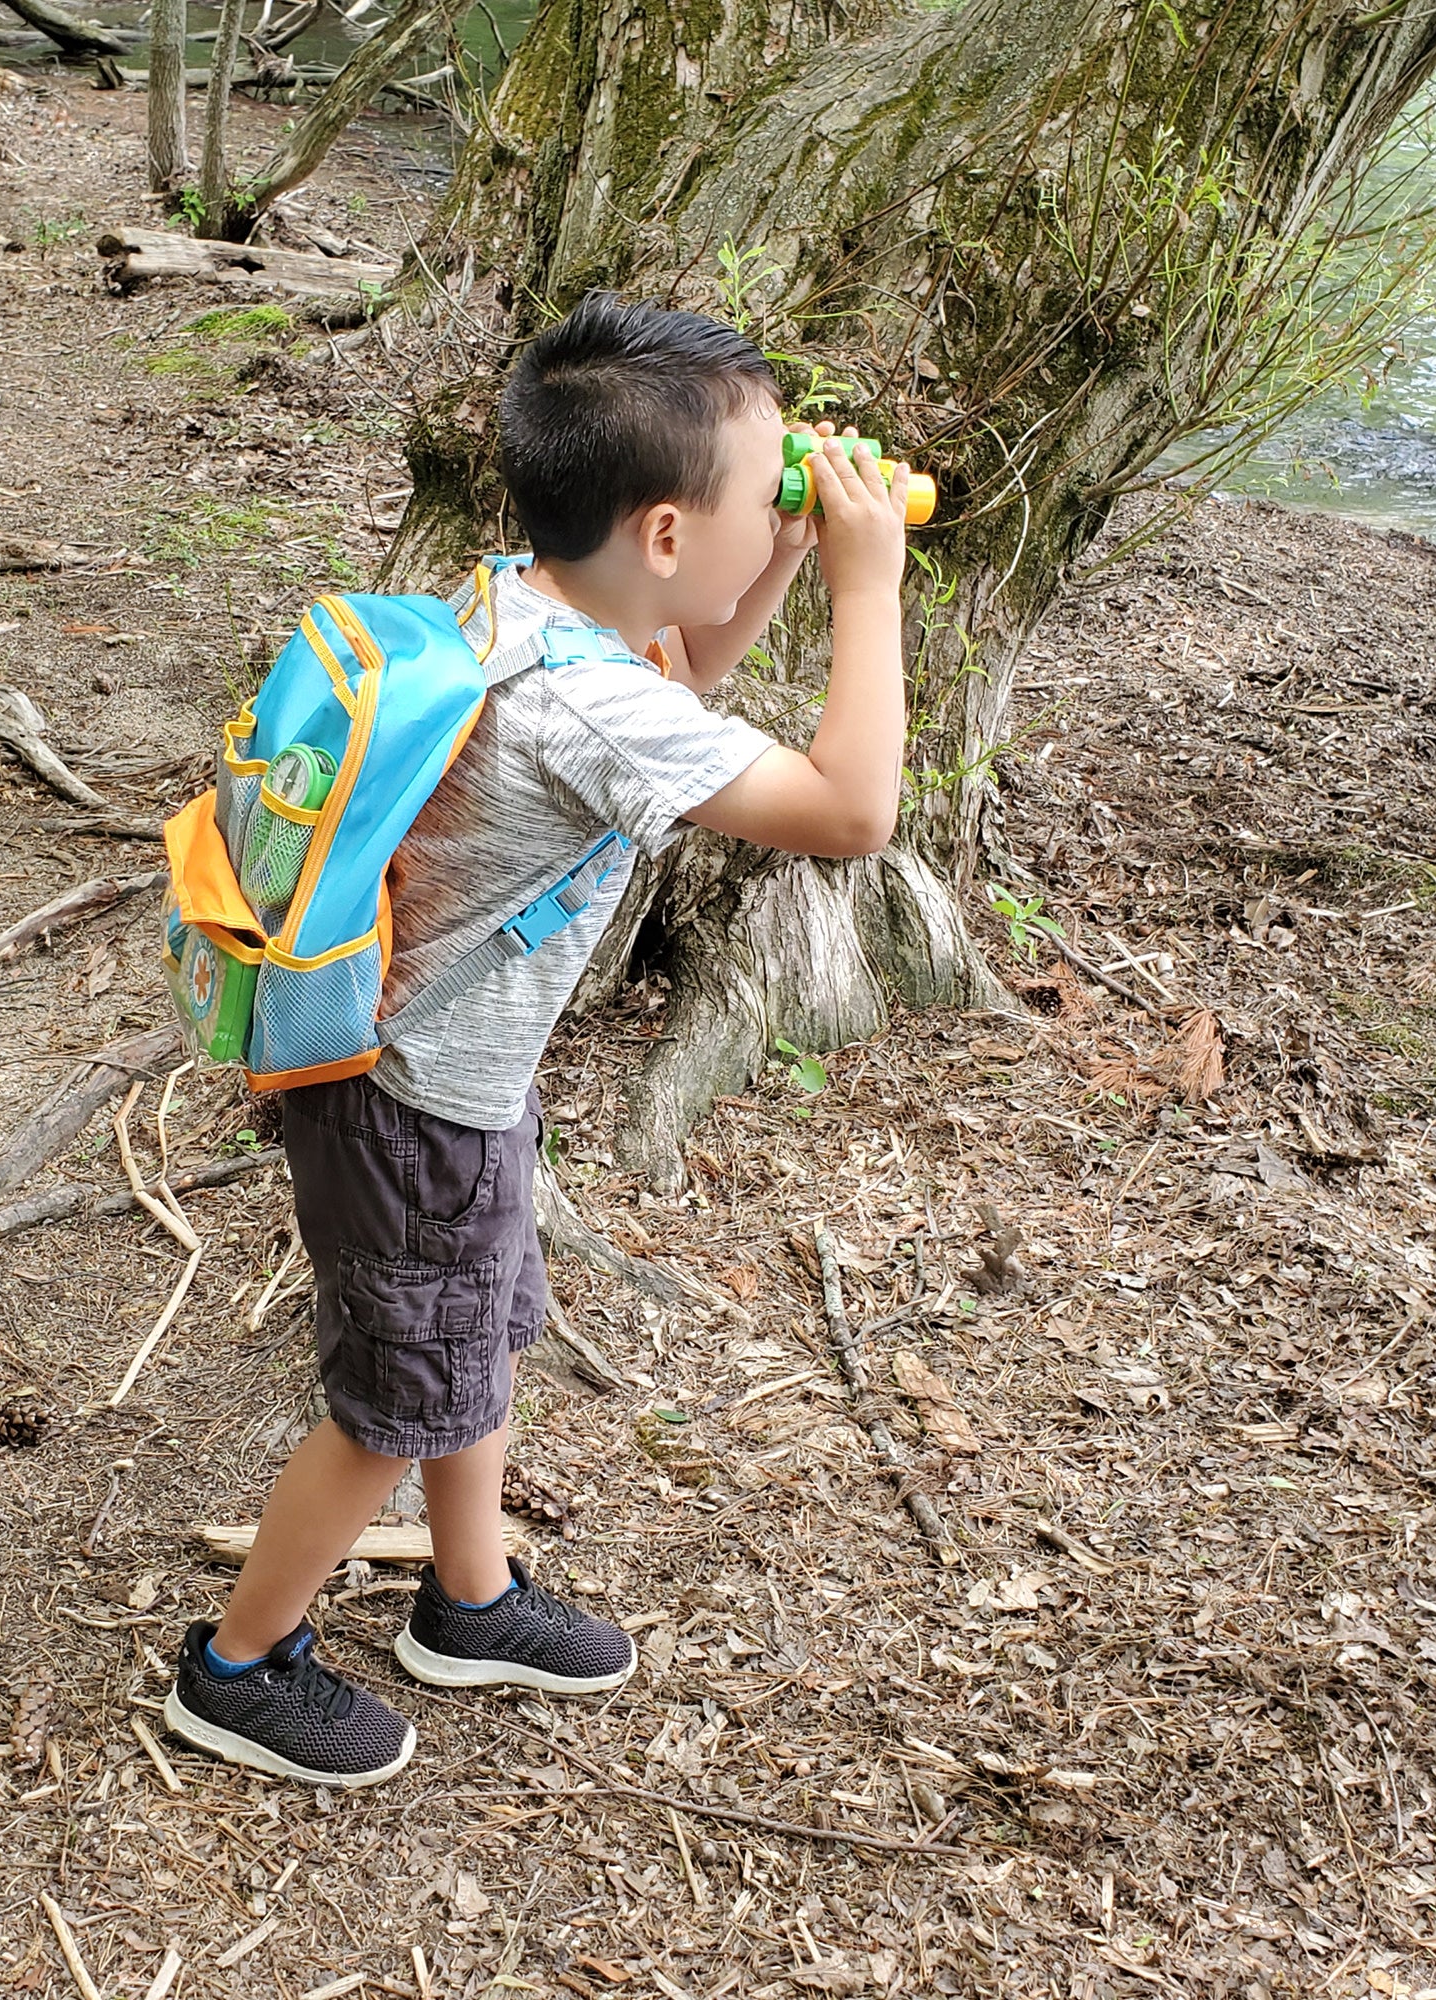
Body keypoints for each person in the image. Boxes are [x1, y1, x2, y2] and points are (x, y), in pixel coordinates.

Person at [163, 291, 911, 1788]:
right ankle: (238, 1667)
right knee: (393, 1409)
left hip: (448, 1089)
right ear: (657, 536)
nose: (786, 513)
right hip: (416, 1104)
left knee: (474, 1345)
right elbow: (851, 811)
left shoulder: (528, 599)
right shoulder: (587, 705)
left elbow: (678, 680)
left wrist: (763, 560)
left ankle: (473, 1598)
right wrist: (866, 586)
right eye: (759, 493)